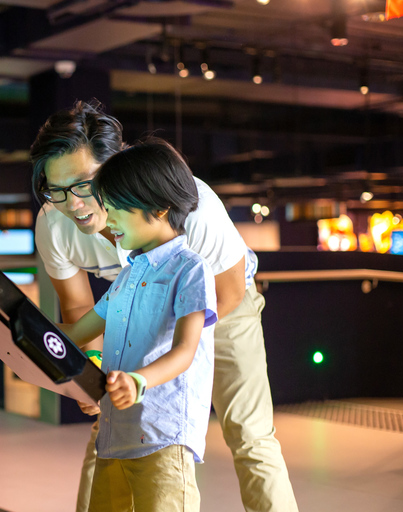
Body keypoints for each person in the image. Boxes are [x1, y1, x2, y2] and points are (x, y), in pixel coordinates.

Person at [31, 100, 298, 512]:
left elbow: (225, 292)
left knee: (249, 434)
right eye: (57, 190)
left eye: (84, 185)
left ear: (115, 165)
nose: (74, 205)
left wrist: (159, 364)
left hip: (223, 308)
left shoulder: (189, 203)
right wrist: (92, 370)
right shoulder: (55, 224)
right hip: (133, 307)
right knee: (109, 429)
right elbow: (79, 309)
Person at [59, 139, 216, 512]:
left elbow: (185, 351)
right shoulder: (127, 277)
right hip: (115, 437)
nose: (107, 220)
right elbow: (75, 334)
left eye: (114, 209)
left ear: (159, 207)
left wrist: (138, 380)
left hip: (163, 438)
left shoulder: (191, 269)